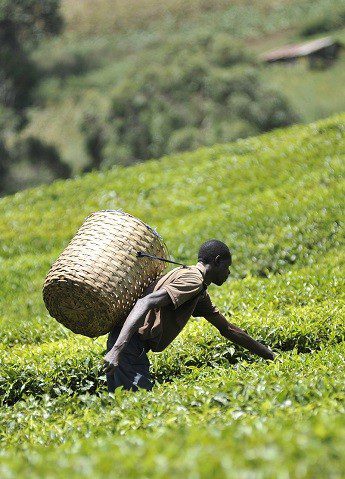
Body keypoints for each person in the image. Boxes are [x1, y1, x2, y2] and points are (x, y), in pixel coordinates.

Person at [103, 239, 276, 392]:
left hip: (127, 344)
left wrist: (271, 356)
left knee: (124, 402)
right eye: (227, 266)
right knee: (138, 407)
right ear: (216, 262)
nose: (228, 273)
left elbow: (228, 329)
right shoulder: (193, 281)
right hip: (128, 345)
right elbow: (145, 302)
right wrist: (117, 350)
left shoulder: (197, 289)